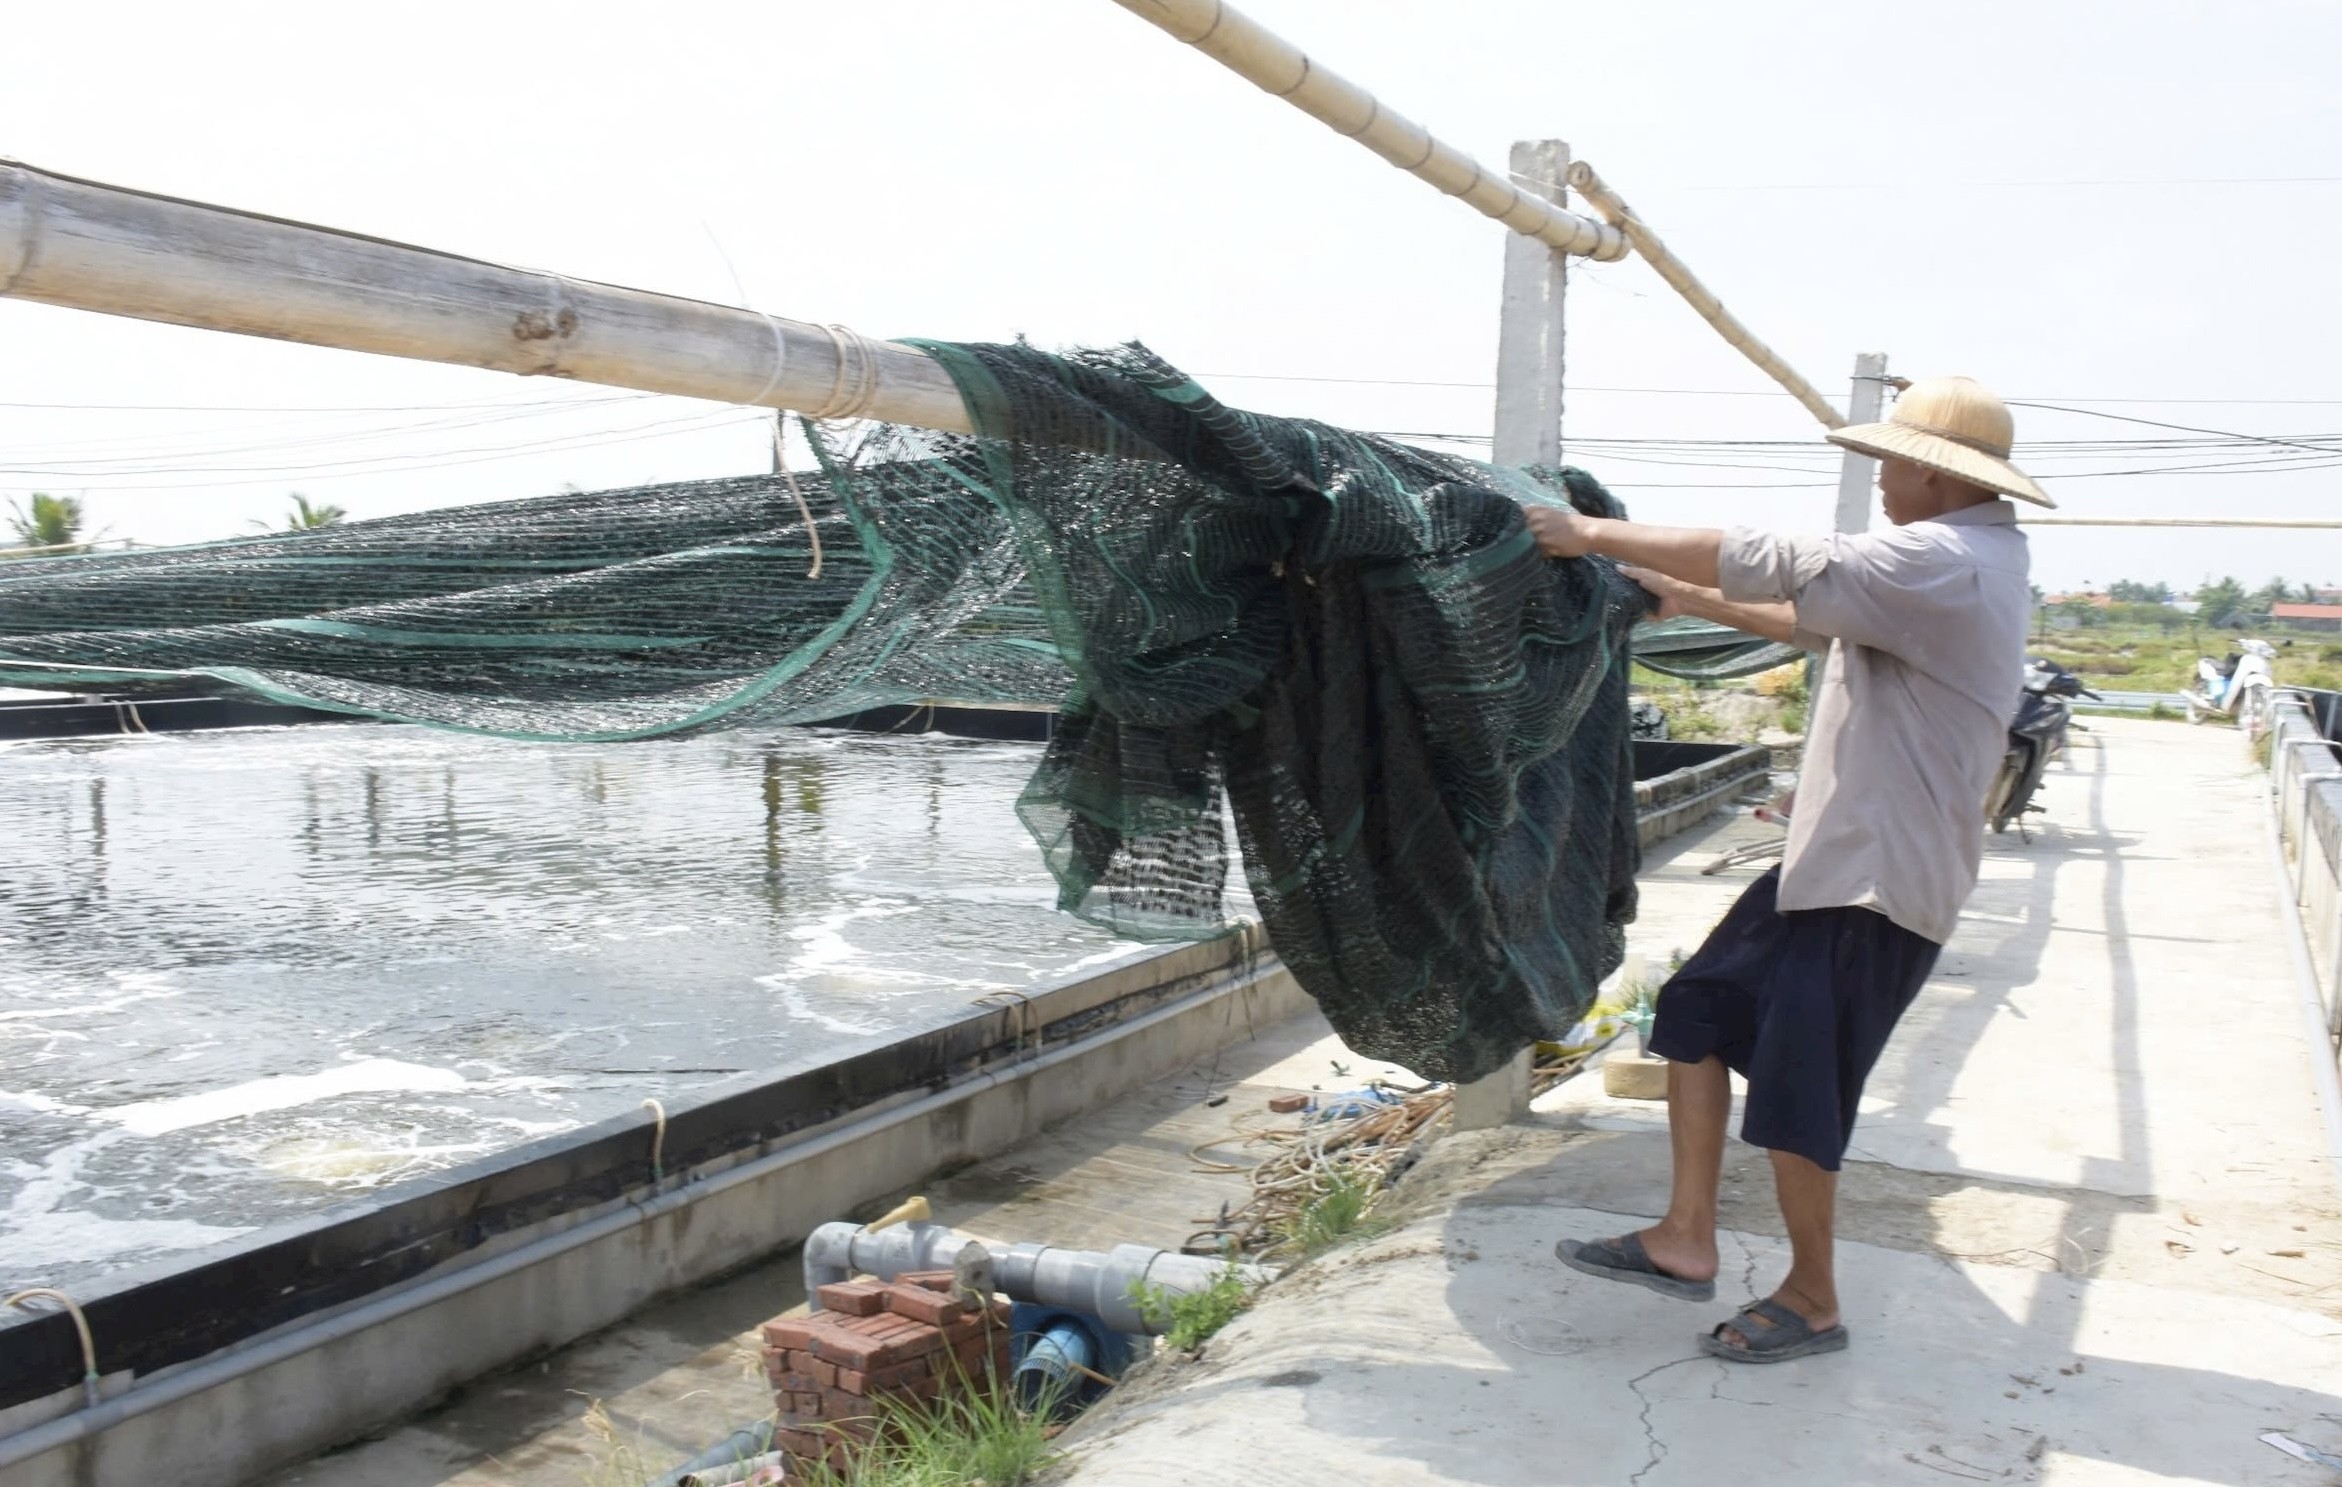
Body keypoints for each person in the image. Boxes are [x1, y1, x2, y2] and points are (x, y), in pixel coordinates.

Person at [1525, 376, 2044, 1362]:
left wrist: (1589, 533)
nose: (1880, 477)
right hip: (1831, 859)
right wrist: (1683, 595)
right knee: (1696, 1008)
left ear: (1937, 474)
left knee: (1802, 1086)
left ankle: (1811, 1297)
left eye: (1891, 461)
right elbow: (1815, 622)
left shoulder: (1946, 558)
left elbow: (1778, 560)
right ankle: (1684, 1236)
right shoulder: (1961, 559)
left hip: (1876, 880)